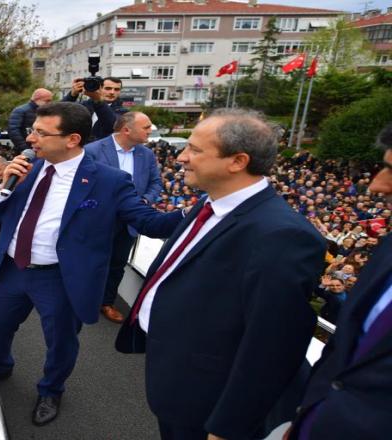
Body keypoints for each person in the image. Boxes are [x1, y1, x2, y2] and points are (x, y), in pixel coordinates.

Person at [115, 109, 327, 440]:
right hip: (177, 382)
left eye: (195, 150)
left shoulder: (282, 235)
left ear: (237, 161)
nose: (182, 158)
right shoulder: (208, 204)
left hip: (210, 405)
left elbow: (272, 346)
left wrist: (229, 427)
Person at [0, 102, 182, 426]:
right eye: (33, 130)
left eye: (41, 133)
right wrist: (3, 187)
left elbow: (149, 222)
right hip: (11, 271)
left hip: (60, 278)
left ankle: (51, 390)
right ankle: (1, 367)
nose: (31, 139)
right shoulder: (26, 168)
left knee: (60, 343)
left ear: (72, 139)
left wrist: (194, 214)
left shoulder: (109, 180)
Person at [288, 123, 392, 440]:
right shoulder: (387, 249)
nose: (377, 186)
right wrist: (307, 414)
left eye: (390, 170)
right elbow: (343, 349)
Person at [85, 111, 163, 323]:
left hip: (130, 222)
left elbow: (156, 183)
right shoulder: (92, 151)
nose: (150, 130)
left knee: (117, 263)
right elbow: (82, 186)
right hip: (98, 220)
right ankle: (82, 299)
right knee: (90, 261)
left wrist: (144, 201)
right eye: (146, 127)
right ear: (127, 129)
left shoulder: (146, 154)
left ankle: (106, 302)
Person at [63, 76, 127, 141]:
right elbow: (60, 113)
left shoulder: (123, 112)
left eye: (117, 89)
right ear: (99, 88)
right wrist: (72, 95)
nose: (112, 92)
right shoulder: (84, 105)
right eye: (108, 88)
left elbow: (111, 125)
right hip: (79, 148)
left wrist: (98, 100)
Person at [7, 88, 53, 152]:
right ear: (37, 99)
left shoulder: (47, 112)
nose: (50, 103)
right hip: (27, 150)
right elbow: (13, 131)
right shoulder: (20, 111)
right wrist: (25, 148)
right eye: (47, 101)